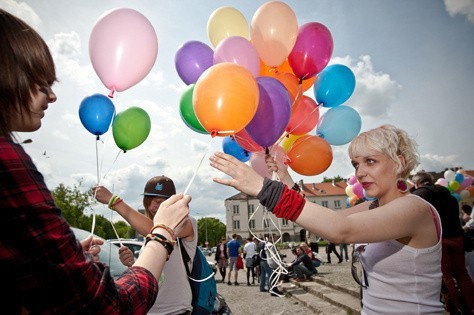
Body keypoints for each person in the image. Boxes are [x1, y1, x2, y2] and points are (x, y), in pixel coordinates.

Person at [0, 8, 191, 314]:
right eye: (42, 85)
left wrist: (71, 264)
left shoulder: (185, 221)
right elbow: (102, 306)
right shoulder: (8, 161)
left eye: (164, 200)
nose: (52, 97)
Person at [210, 124, 444, 314]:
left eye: (370, 161)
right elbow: (326, 219)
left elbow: (341, 230)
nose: (359, 172)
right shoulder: (373, 207)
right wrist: (284, 175)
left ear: (399, 163)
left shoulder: (414, 209)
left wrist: (264, 188)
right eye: (356, 164)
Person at [93, 176, 198, 315]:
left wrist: (113, 201)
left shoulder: (186, 223)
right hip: (148, 310)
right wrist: (132, 264)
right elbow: (155, 273)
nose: (152, 206)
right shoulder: (148, 235)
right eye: (149, 201)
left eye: (159, 202)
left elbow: (159, 231)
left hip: (175, 311)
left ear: (173, 203)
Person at [412, 172, 474, 314]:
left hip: (439, 240)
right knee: (462, 274)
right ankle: (472, 306)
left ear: (417, 183)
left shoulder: (419, 195)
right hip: (457, 238)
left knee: (445, 276)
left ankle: (455, 309)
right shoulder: (449, 196)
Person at [461, 204, 474, 280]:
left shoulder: (464, 217)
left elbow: (472, 222)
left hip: (469, 245)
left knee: (470, 265)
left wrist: (464, 227)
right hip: (470, 244)